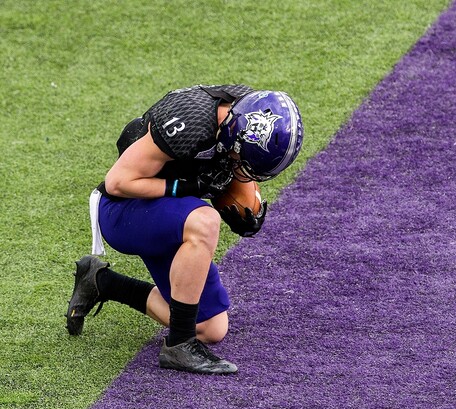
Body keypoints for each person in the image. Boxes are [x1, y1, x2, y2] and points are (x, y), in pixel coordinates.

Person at [65, 85, 304, 375]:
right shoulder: (189, 120)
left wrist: (240, 210)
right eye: (242, 162)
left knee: (211, 328)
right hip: (121, 210)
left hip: (167, 215)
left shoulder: (243, 112)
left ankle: (102, 282)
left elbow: (223, 167)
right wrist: (189, 187)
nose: (242, 171)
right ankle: (179, 345)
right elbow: (118, 182)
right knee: (205, 222)